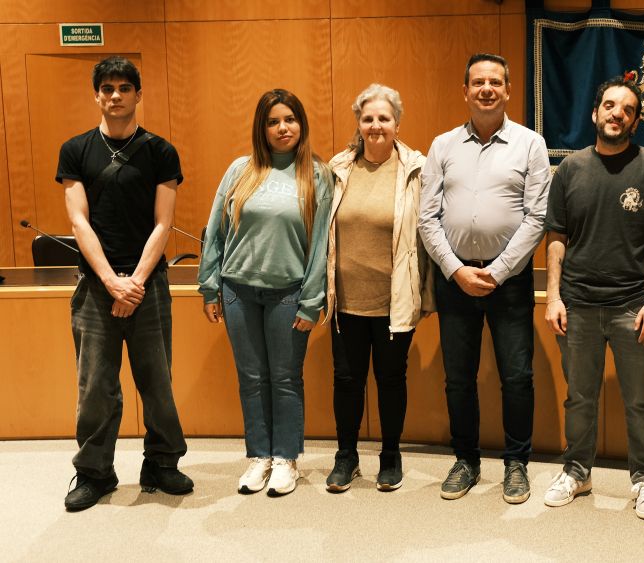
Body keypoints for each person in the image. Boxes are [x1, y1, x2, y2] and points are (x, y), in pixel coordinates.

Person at [57, 56, 192, 511]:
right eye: (107, 88)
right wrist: (111, 282)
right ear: (96, 95)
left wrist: (133, 282)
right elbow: (78, 222)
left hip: (148, 285)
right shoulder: (75, 150)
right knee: (95, 387)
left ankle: (162, 463)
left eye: (124, 88)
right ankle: (94, 472)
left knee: (157, 382)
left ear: (138, 94)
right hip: (96, 287)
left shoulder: (160, 151)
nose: (115, 96)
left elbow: (163, 223)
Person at [418, 53, 551, 503]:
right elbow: (427, 217)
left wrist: (496, 271)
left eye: (495, 81)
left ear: (508, 90)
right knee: (458, 377)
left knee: (517, 377)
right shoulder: (442, 146)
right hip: (454, 278)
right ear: (465, 91)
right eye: (478, 82)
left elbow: (537, 217)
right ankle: (466, 460)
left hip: (508, 280)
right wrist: (456, 270)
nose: (487, 89)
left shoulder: (531, 144)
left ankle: (516, 463)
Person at [542, 78, 644, 520]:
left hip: (635, 306)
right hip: (577, 304)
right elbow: (556, 239)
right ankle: (577, 472)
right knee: (579, 397)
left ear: (636, 122)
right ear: (595, 113)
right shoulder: (570, 170)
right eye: (610, 105)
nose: (618, 113)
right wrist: (553, 298)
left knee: (640, 400)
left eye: (628, 109)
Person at [198, 89, 332, 497]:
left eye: (289, 119)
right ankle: (259, 456)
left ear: (301, 124)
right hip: (238, 291)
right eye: (273, 122)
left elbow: (321, 243)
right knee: (252, 378)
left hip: (288, 294)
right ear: (262, 128)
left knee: (285, 378)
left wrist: (312, 300)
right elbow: (215, 230)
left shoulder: (317, 174)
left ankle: (286, 458)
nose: (282, 128)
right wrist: (209, 286)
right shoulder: (240, 170)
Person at [324, 84, 433, 493]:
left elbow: (427, 234)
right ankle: (346, 457)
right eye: (368, 118)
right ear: (359, 123)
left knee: (390, 380)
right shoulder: (338, 169)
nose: (375, 125)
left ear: (397, 124)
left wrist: (427, 294)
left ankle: (390, 456)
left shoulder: (416, 170)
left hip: (394, 300)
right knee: (346, 381)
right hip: (345, 301)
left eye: (384, 118)